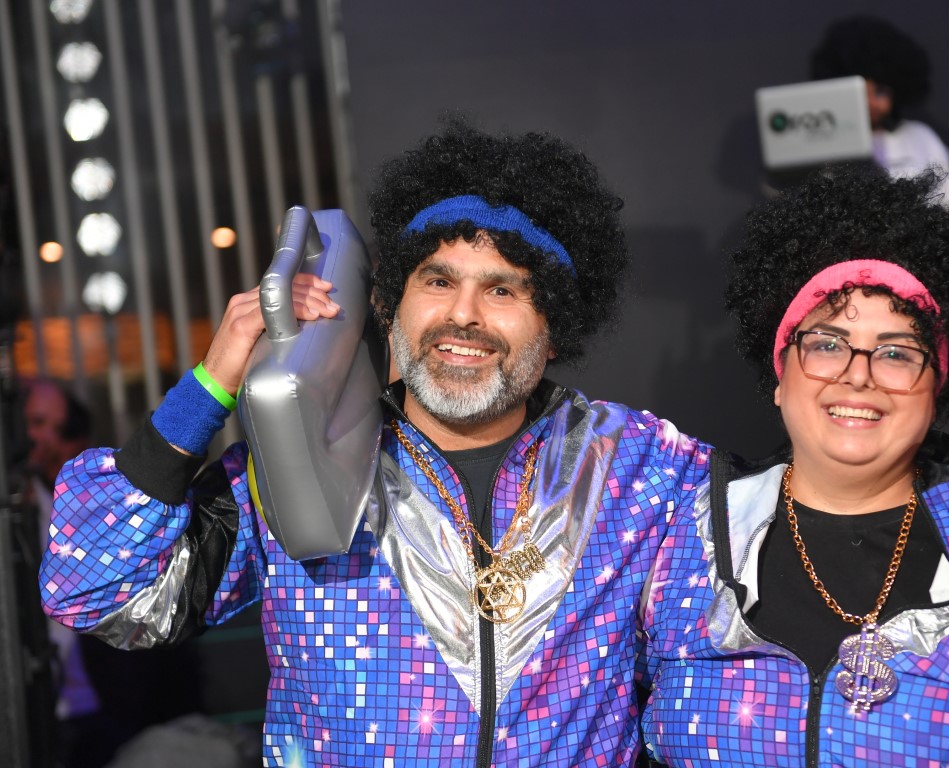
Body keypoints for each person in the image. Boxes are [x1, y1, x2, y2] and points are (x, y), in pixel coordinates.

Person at [39, 121, 710, 767]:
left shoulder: (641, 468)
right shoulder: (298, 465)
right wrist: (211, 382)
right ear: (389, 305)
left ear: (555, 328)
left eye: (502, 289)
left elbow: (716, 701)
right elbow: (93, 590)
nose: (463, 314)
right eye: (438, 281)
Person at [640, 165, 949, 765]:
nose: (858, 375)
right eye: (828, 344)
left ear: (937, 388)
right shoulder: (674, 538)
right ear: (781, 375)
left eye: (896, 353)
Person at [22, 378, 203, 767]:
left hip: (115, 700)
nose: (37, 438)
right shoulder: (24, 507)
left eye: (49, 426)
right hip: (46, 706)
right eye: (31, 423)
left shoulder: (98, 497)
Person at [811, 15, 949, 208]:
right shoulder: (825, 145)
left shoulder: (921, 138)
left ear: (898, 90)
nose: (870, 103)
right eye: (860, 93)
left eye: (879, 92)